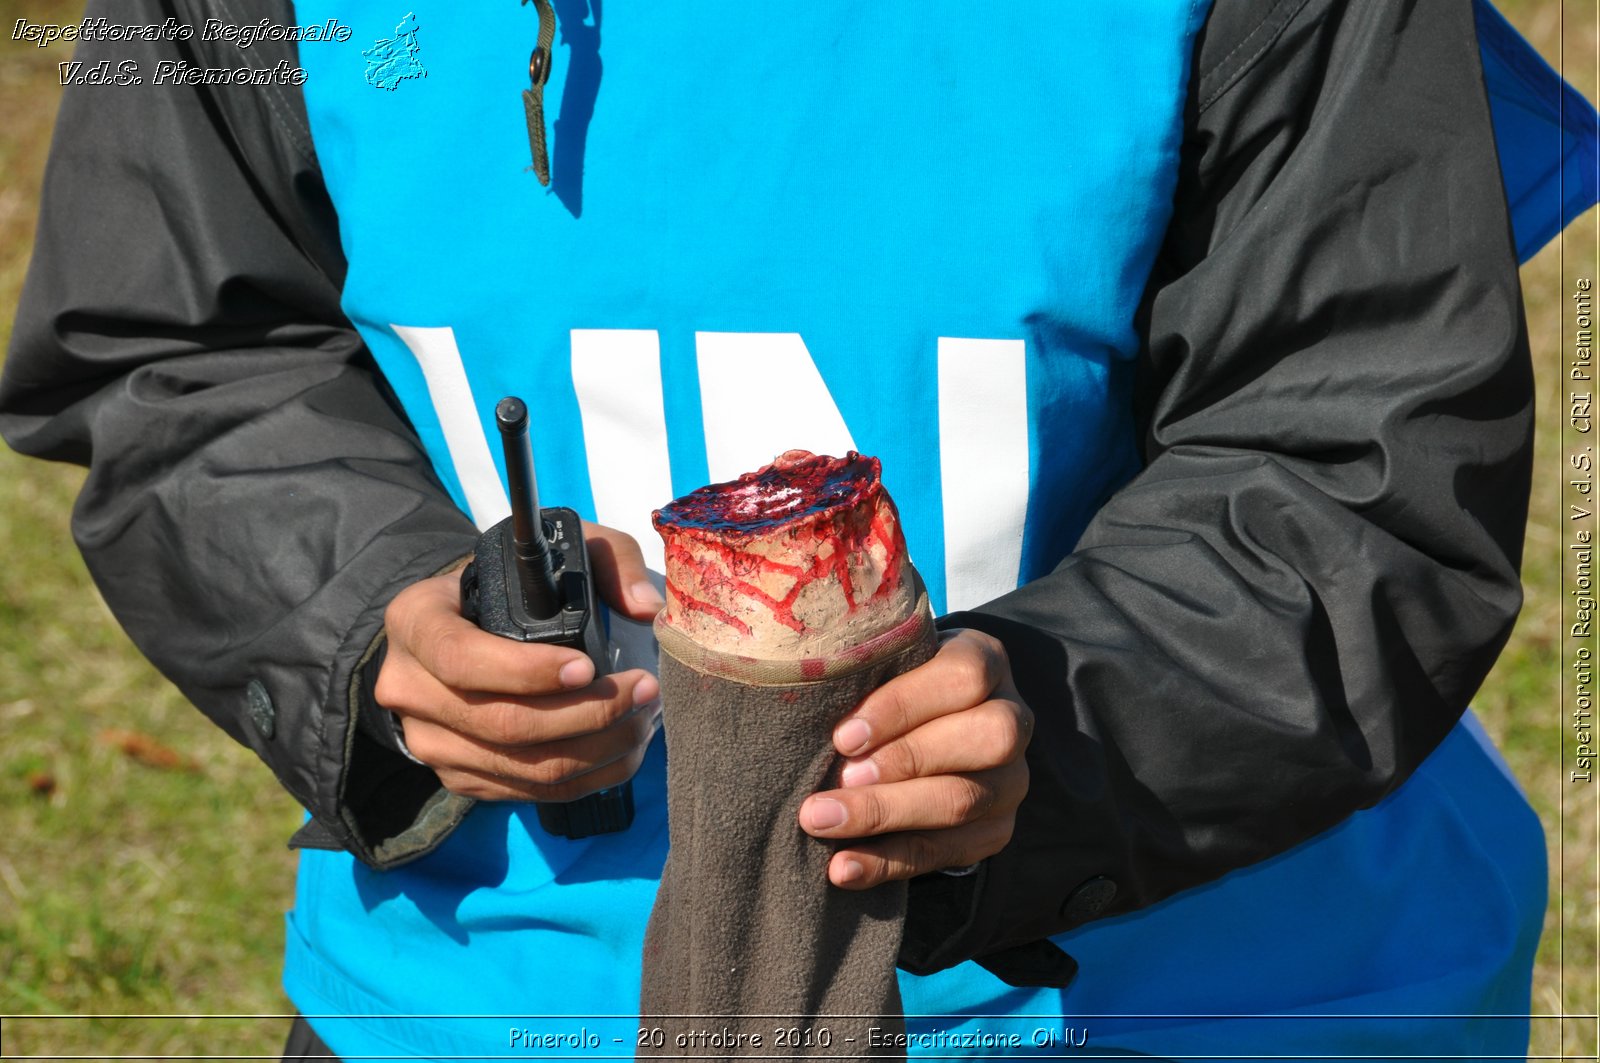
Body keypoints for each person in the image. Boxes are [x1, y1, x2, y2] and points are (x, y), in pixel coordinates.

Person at [1, 0, 1586, 1057]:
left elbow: (1356, 444)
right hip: (497, 1000)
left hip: (1208, 1002)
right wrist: (371, 623)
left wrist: (1066, 726)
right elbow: (180, 347)